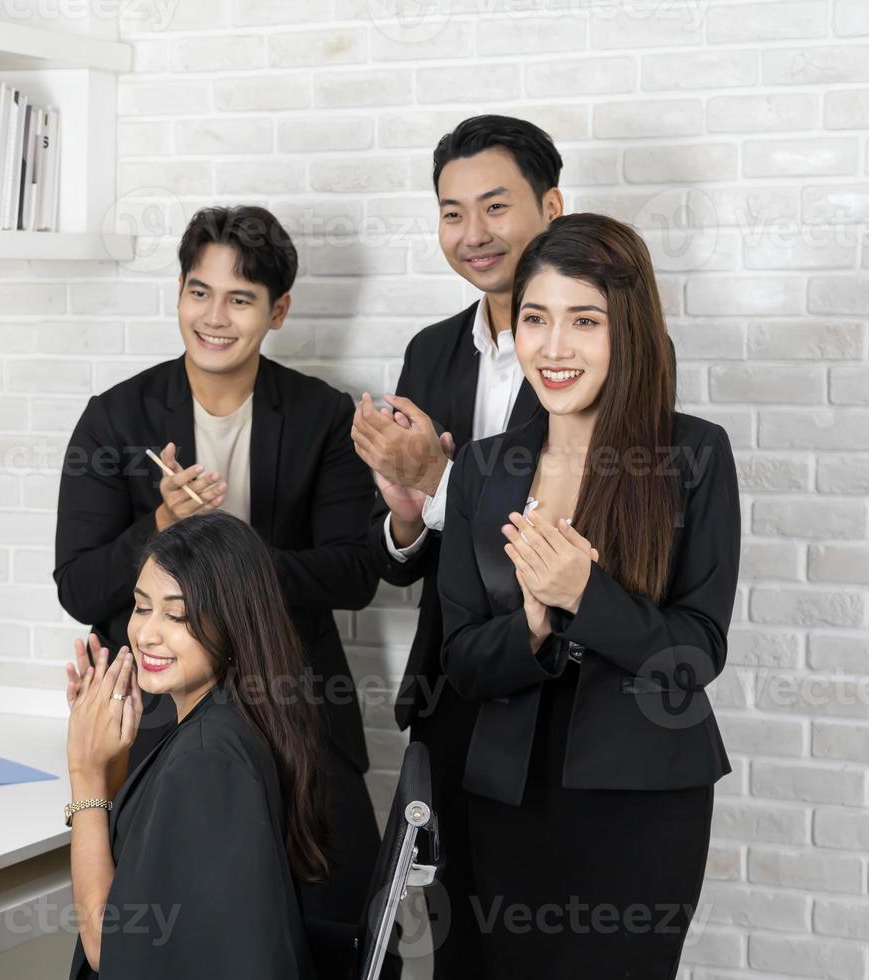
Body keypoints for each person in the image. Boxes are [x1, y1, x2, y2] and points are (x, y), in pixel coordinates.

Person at [54, 205, 381, 955]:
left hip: (298, 709)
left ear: (278, 311)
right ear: (178, 292)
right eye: (199, 292)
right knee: (148, 939)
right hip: (158, 718)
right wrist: (162, 529)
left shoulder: (322, 415)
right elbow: (79, 585)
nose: (215, 317)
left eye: (241, 299)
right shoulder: (116, 418)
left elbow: (355, 571)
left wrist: (224, 561)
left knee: (333, 929)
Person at [438, 213, 740, 978]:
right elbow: (462, 659)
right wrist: (533, 626)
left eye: (585, 320)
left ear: (627, 330)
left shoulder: (694, 455)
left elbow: (695, 654)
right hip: (509, 798)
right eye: (535, 318)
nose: (555, 346)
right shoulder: (481, 468)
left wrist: (586, 593)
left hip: (643, 801)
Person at [349, 113, 559, 972]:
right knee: (458, 940)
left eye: (496, 207)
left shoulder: (596, 347)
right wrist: (404, 513)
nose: (473, 235)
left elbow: (556, 538)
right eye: (450, 211)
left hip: (552, 693)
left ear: (550, 207)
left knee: (543, 941)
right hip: (452, 694)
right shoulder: (431, 351)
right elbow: (415, 553)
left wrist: (437, 488)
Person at [64, 512, 325, 979]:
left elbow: (109, 944)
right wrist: (112, 756)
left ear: (232, 623)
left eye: (177, 614)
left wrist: (84, 772)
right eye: (142, 607)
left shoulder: (208, 758)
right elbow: (149, 864)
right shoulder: (228, 721)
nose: (146, 633)